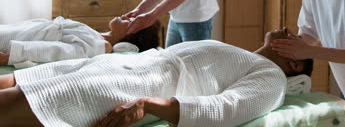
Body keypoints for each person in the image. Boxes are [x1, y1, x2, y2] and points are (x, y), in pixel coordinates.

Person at [0, 28, 313, 127]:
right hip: (129, 64)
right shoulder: (248, 56)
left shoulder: (272, 79)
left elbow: (226, 108)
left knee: (17, 102)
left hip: (142, 83)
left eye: (296, 38)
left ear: (295, 65)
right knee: (16, 80)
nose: (289, 30)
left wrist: (148, 104)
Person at [0, 16, 160, 66]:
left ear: (132, 36)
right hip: (19, 31)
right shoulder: (97, 36)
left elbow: (56, 51)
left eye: (130, 21)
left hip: (15, 41)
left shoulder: (101, 46)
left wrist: (8, 57)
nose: (126, 16)